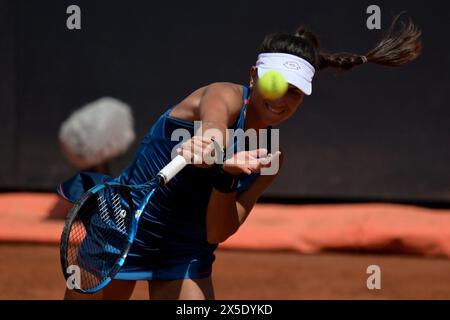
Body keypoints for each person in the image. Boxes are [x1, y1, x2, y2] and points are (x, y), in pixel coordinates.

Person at [62, 14, 421, 300]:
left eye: (295, 93)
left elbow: (217, 230)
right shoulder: (224, 94)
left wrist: (225, 178)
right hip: (124, 225)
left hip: (185, 249)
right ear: (254, 75)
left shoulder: (271, 157)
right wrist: (212, 142)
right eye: (276, 84)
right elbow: (215, 122)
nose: (282, 100)